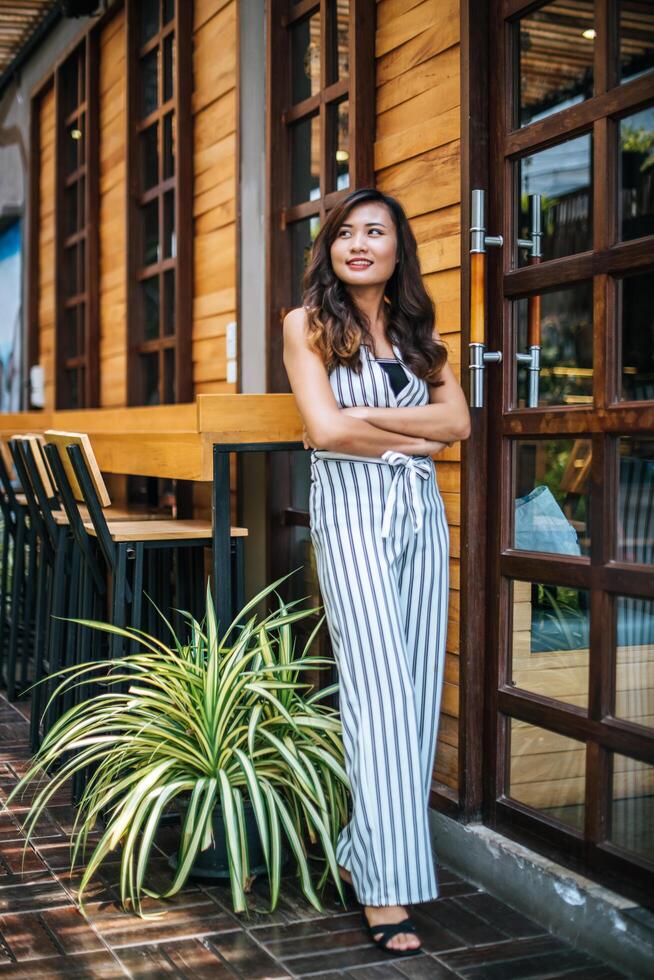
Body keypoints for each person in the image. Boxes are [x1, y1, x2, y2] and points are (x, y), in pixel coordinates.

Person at [283, 187, 471, 957]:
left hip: (422, 520)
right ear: (329, 248)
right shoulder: (306, 326)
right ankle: (385, 886)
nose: (359, 244)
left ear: (398, 251)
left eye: (376, 232)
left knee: (419, 689)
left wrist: (362, 424)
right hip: (354, 519)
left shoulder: (421, 335)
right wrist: (403, 434)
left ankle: (368, 855)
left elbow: (457, 425)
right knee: (380, 691)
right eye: (346, 233)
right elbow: (321, 429)